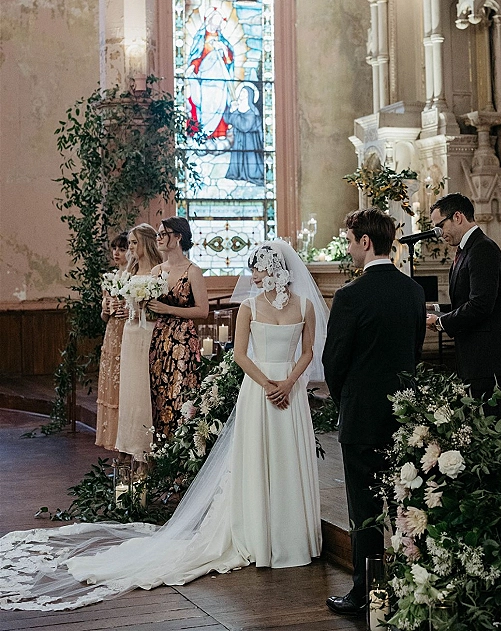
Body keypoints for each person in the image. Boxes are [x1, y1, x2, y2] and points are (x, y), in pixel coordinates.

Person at [0, 240, 328, 612]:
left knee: (289, 462)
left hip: (291, 392)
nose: (252, 277)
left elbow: (307, 352)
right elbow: (239, 355)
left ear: (274, 269)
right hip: (260, 391)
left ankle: (293, 538)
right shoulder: (249, 308)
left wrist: (288, 383)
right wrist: (270, 384)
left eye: (257, 269)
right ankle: (261, 534)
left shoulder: (303, 306)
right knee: (258, 461)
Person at [323, 208, 426, 617]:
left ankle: (366, 590)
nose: (349, 250)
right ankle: (410, 581)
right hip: (405, 415)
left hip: (362, 416)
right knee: (406, 498)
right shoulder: (414, 291)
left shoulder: (350, 295)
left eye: (349, 241)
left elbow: (335, 362)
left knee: (364, 508)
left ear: (365, 242)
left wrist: (345, 399)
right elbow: (416, 352)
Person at [426, 192, 501, 419]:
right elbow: (465, 301)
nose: (439, 234)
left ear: (458, 217)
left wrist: (440, 323)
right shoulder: (467, 249)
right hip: (476, 355)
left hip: (489, 355)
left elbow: (481, 304)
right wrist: (435, 309)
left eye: (440, 226)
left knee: (490, 425)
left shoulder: (482, 249)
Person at [147, 217, 209, 439]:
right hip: (160, 340)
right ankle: (159, 453)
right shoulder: (156, 271)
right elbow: (151, 307)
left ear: (179, 236)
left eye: (164, 234)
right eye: (158, 235)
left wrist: (168, 309)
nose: (159, 239)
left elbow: (203, 311)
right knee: (159, 393)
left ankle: (181, 453)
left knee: (181, 394)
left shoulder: (193, 271)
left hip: (183, 340)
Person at [115, 224, 162, 465]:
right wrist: (124, 309)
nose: (131, 247)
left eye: (134, 242)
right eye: (130, 243)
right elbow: (125, 303)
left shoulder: (158, 271)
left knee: (145, 388)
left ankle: (147, 447)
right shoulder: (129, 272)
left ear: (146, 243)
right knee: (131, 389)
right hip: (131, 332)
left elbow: (160, 307)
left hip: (149, 332)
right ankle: (129, 444)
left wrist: (146, 306)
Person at [95, 233, 129, 451]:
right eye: (114, 248)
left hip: (128, 333)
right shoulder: (110, 278)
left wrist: (125, 308)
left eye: (122, 248)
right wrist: (106, 309)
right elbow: (104, 316)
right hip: (112, 334)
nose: (116, 253)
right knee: (111, 385)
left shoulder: (134, 277)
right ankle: (115, 445)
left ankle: (126, 442)